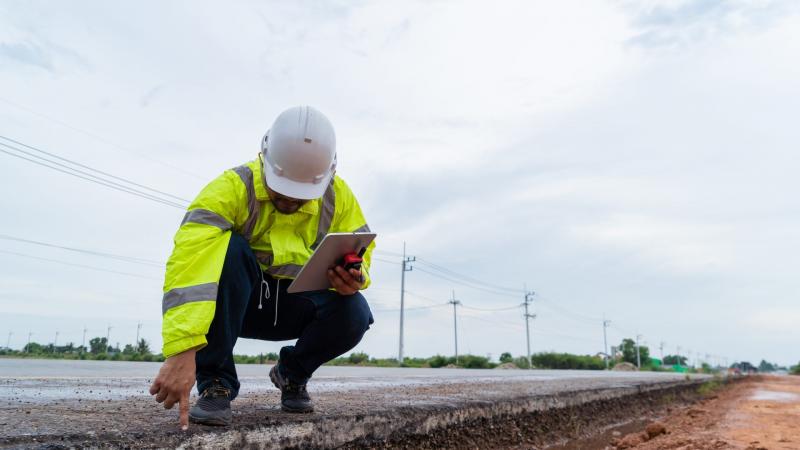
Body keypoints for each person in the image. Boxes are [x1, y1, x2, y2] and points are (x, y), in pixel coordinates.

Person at [148, 106, 374, 429]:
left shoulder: (338, 198)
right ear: (264, 159)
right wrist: (183, 349)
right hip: (238, 305)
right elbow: (190, 266)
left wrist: (355, 276)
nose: (290, 202)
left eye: (301, 197)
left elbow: (361, 249)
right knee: (229, 249)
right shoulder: (232, 189)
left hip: (296, 304)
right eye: (282, 191)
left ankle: (292, 375)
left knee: (355, 312)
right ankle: (216, 382)